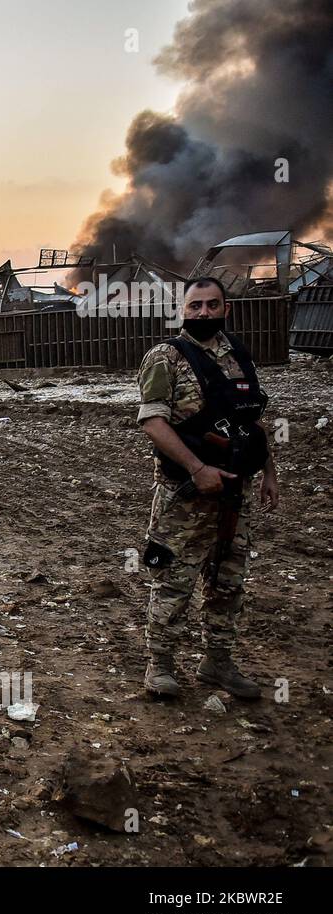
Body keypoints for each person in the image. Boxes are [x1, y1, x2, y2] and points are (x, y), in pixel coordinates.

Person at [135, 276, 279, 700]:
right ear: (183, 310)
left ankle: (217, 661)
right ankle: (159, 666)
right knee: (174, 581)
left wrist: (269, 472)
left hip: (235, 493)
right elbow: (153, 422)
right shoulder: (166, 357)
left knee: (228, 582)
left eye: (211, 306)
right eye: (195, 306)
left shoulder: (238, 356)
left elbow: (252, 423)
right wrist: (197, 468)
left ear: (225, 309)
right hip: (186, 495)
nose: (203, 313)